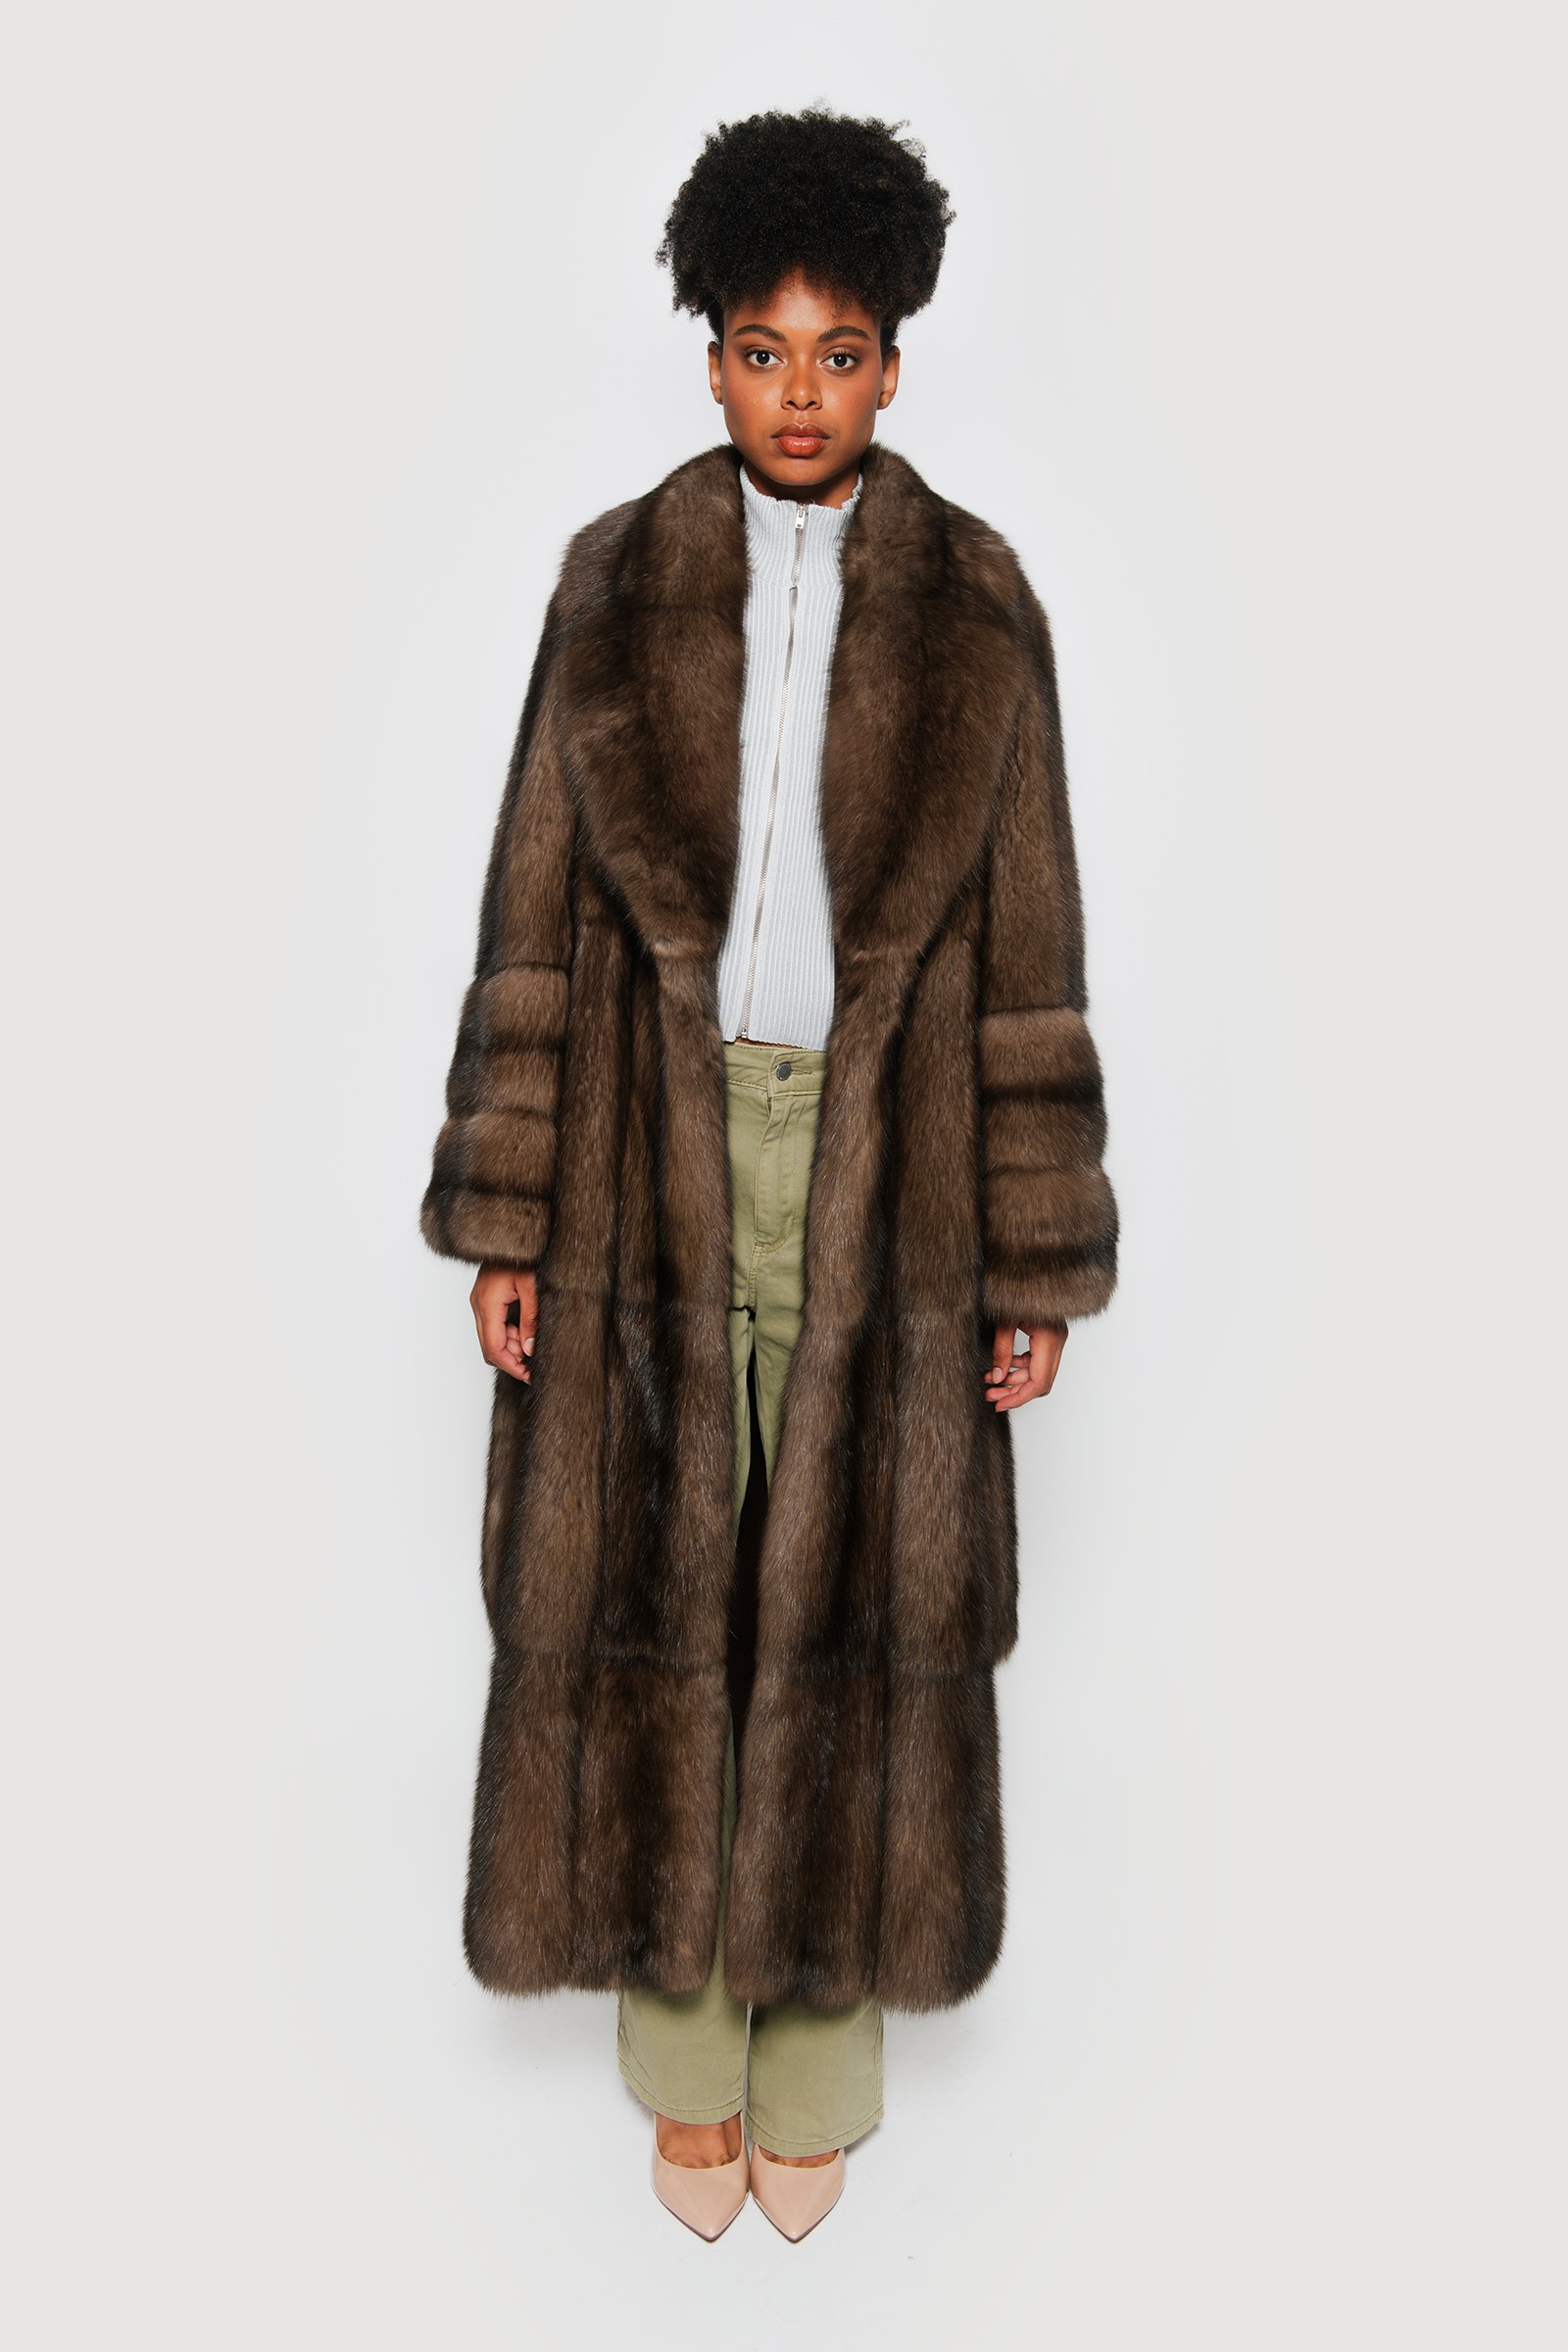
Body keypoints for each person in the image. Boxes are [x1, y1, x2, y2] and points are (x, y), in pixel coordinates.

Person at [421, 107, 1119, 2242]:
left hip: (885, 1166)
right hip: (648, 1144)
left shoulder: (980, 604)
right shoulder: (611, 582)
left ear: (895, 359)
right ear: (707, 354)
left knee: (853, 1605)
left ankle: (817, 2058)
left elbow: (1031, 943)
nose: (798, 391)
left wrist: (1031, 1253)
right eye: (759, 349)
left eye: (838, 352)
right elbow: (529, 905)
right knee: (655, 1586)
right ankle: (679, 2058)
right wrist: (509, 1212)